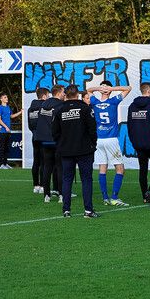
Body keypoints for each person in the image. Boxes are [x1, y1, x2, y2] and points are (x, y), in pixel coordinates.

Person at [52, 85, 99, 218]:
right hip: (84, 149)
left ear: (66, 95)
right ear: (78, 95)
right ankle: (88, 211)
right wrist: (92, 144)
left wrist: (61, 143)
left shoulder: (59, 110)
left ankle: (66, 210)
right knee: (86, 179)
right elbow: (92, 129)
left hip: (66, 150)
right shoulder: (85, 108)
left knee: (67, 179)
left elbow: (54, 132)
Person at [87, 80, 132, 206]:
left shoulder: (95, 101)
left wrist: (101, 88)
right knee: (120, 169)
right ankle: (114, 197)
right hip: (111, 139)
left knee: (102, 169)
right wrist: (110, 89)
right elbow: (128, 88)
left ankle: (105, 198)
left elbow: (89, 90)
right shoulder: (113, 101)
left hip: (99, 140)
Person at [127, 82, 150, 203]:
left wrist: (134, 141)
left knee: (142, 169)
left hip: (138, 143)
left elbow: (129, 126)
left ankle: (145, 195)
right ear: (149, 91)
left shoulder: (132, 106)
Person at [37, 85, 65, 202]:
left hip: (44, 141)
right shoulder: (60, 105)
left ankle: (47, 195)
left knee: (47, 167)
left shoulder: (43, 105)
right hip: (56, 140)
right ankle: (61, 194)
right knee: (59, 167)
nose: (64, 94)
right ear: (58, 93)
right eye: (63, 92)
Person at [28, 88, 50, 193]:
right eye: (48, 95)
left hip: (34, 136)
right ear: (44, 96)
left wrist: (34, 132)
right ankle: (42, 185)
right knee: (44, 161)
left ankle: (35, 185)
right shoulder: (44, 106)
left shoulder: (31, 108)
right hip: (43, 136)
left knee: (36, 161)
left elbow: (30, 124)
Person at [0, 93, 23, 169]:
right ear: (1, 99)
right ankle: (0, 164)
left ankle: (5, 163)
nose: (7, 98)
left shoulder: (8, 107)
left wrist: (20, 112)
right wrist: (5, 127)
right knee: (2, 148)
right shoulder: (0, 108)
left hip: (8, 131)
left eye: (6, 97)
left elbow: (11, 116)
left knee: (7, 148)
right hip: (3, 131)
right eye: (5, 97)